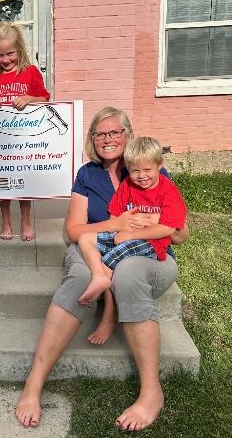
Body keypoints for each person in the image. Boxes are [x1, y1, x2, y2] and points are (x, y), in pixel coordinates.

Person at [15, 107, 189, 432]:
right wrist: (116, 223)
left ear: (128, 134)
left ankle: (152, 392)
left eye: (114, 132)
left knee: (129, 273)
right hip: (97, 245)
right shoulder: (87, 174)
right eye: (100, 133)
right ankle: (34, 384)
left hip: (149, 254)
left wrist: (155, 224)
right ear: (92, 140)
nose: (107, 139)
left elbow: (180, 233)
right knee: (79, 274)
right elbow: (74, 231)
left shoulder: (145, 167)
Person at [77, 136, 187, 347]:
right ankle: (100, 275)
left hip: (152, 244)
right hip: (127, 235)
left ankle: (105, 283)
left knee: (116, 254)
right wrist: (119, 230)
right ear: (128, 168)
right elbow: (114, 217)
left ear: (160, 166)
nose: (141, 176)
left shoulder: (167, 189)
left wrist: (130, 235)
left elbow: (169, 228)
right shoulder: (127, 185)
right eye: (135, 171)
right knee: (85, 238)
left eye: (147, 170)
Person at [0, 21, 50, 241]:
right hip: (2, 142)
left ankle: (25, 221)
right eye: (0, 55)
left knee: (24, 184)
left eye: (10, 54)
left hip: (26, 141)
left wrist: (29, 99)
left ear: (20, 50)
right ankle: (5, 222)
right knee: (3, 183)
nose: (5, 60)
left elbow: (45, 98)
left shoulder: (31, 73)